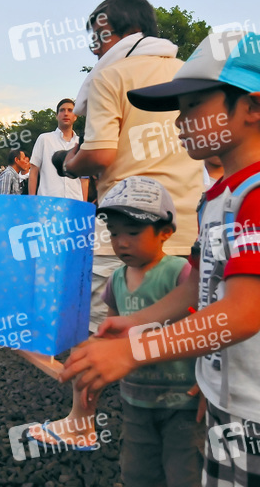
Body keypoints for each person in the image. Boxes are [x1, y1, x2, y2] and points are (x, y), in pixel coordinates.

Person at [61, 31, 260, 486]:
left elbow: (242, 313)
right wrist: (137, 321)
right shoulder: (219, 195)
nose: (179, 121)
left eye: (192, 106)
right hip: (232, 394)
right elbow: (198, 283)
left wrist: (134, 350)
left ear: (254, 107)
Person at [41, 0, 202, 447]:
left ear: (122, 30)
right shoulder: (188, 71)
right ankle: (185, 427)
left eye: (100, 35)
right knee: (182, 325)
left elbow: (100, 154)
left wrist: (68, 163)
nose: (95, 46)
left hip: (127, 224)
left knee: (98, 322)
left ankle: (81, 421)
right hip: (186, 220)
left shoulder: (110, 74)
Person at [98, 176, 202, 487]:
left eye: (133, 232)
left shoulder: (180, 273)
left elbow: (204, 325)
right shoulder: (116, 280)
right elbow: (111, 333)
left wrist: (207, 379)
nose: (121, 242)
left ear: (165, 232)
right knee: (138, 470)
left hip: (183, 399)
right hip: (135, 397)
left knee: (184, 471)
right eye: (114, 233)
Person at [28, 98, 88, 200]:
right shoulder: (44, 139)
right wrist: (32, 201)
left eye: (70, 110)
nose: (66, 113)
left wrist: (84, 205)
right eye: (62, 110)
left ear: (75, 116)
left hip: (74, 201)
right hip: (47, 202)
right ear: (56, 115)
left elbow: (84, 179)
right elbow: (33, 171)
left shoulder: (81, 143)